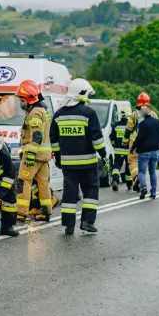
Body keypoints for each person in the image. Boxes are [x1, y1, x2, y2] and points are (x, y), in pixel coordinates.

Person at [49, 78, 105, 235]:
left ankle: (69, 225)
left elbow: (53, 139)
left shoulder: (58, 115)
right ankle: (87, 222)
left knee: (70, 192)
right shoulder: (89, 113)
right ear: (82, 93)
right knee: (91, 190)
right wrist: (104, 155)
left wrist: (58, 158)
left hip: (68, 164)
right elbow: (97, 139)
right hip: (88, 163)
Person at [15, 80, 54, 223]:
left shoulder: (35, 113)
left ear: (30, 99)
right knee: (43, 183)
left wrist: (30, 153)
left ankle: (21, 213)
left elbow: (36, 135)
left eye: (22, 99)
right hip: (44, 156)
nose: (20, 102)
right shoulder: (42, 110)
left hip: (34, 155)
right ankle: (46, 211)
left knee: (23, 181)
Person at [130, 104, 159, 200]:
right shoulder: (158, 122)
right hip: (155, 151)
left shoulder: (143, 124)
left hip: (144, 152)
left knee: (142, 172)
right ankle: (154, 192)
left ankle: (143, 188)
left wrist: (133, 147)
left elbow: (139, 138)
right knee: (152, 172)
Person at [122, 93, 157, 192]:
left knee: (132, 162)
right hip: (149, 144)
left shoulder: (135, 114)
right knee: (144, 163)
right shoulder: (153, 114)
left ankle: (137, 178)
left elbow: (128, 129)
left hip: (135, 143)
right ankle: (142, 183)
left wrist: (125, 142)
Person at [107, 107, 130, 192]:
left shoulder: (116, 125)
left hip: (117, 150)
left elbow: (111, 137)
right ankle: (129, 184)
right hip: (128, 151)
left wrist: (114, 145)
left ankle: (115, 181)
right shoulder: (130, 126)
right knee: (128, 168)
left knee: (116, 166)